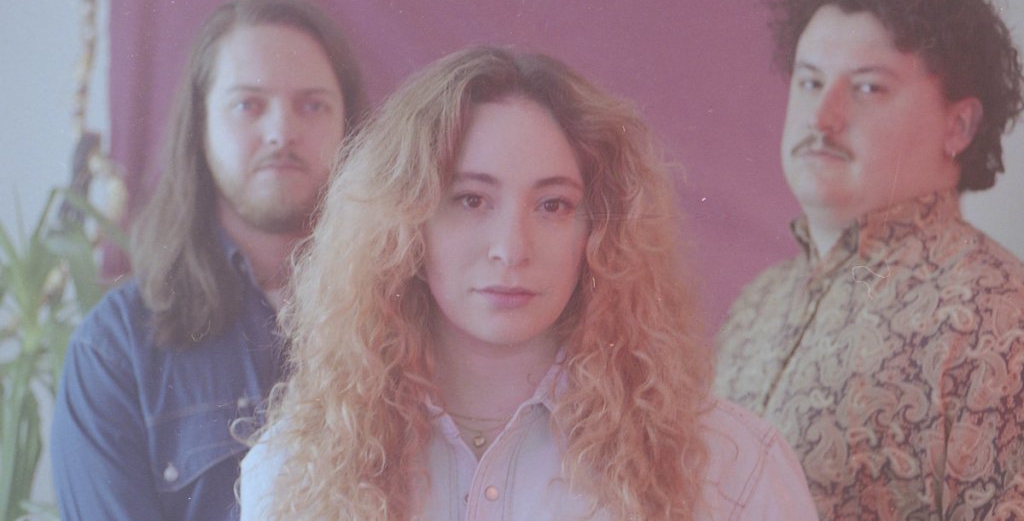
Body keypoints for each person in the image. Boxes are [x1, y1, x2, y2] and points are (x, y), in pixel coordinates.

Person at [238, 45, 816, 520]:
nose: (511, 248)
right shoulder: (292, 470)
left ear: (601, 230)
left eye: (553, 205)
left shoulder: (730, 466)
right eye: (471, 200)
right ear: (406, 222)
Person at [714, 0, 1024, 519]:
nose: (821, 117)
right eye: (810, 81)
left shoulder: (998, 316)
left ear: (959, 125)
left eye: (867, 89)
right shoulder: (755, 305)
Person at [51, 0, 368, 521]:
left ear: (350, 128)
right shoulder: (115, 350)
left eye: (312, 105)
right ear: (199, 128)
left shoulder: (411, 318)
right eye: (248, 105)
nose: (281, 131)